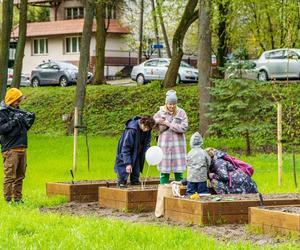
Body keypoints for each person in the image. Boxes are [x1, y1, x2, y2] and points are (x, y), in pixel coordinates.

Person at [0, 88, 35, 203]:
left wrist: (29, 121)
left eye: (19, 101)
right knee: (10, 176)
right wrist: (14, 121)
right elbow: (2, 129)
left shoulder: (18, 112)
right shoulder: (2, 112)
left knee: (20, 176)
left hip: (22, 148)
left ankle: (18, 199)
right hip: (10, 149)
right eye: (17, 101)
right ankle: (8, 200)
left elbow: (23, 129)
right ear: (11, 100)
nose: (18, 104)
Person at [154, 90, 188, 184]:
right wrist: (160, 123)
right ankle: (163, 192)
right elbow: (154, 125)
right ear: (166, 103)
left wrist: (169, 124)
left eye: (174, 104)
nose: (172, 106)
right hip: (164, 145)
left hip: (178, 146)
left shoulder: (181, 113)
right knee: (164, 172)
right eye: (170, 104)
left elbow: (184, 127)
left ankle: (180, 191)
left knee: (179, 171)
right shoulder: (160, 113)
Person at [114, 115, 156, 187]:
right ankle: (121, 183)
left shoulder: (148, 129)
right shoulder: (131, 130)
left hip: (137, 151)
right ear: (142, 123)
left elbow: (147, 143)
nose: (147, 130)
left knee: (136, 171)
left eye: (149, 129)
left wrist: (148, 152)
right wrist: (128, 163)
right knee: (124, 170)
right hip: (125, 151)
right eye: (146, 128)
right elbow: (126, 148)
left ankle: (135, 184)